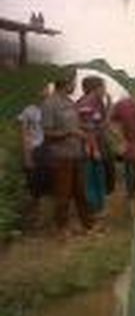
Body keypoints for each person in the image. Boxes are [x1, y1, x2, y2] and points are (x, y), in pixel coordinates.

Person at [41, 70, 93, 237]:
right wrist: (69, 133)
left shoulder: (69, 102)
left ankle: (88, 226)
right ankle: (62, 228)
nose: (75, 85)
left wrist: (84, 128)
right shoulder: (50, 104)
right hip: (60, 156)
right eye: (73, 82)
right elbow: (47, 133)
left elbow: (73, 126)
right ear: (66, 82)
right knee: (63, 194)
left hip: (76, 154)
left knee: (81, 192)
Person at [76, 76, 109, 217]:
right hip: (89, 146)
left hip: (98, 143)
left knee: (99, 175)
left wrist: (110, 104)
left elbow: (102, 124)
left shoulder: (98, 102)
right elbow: (88, 128)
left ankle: (99, 207)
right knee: (92, 177)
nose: (105, 90)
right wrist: (94, 148)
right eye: (103, 87)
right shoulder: (86, 103)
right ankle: (93, 208)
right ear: (96, 88)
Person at [18, 83, 52, 203]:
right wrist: (27, 155)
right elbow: (24, 133)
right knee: (34, 181)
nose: (45, 91)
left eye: (47, 88)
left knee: (49, 181)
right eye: (43, 88)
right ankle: (36, 203)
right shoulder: (28, 110)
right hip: (35, 148)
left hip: (49, 149)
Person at [110, 94, 135, 201]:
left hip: (131, 146)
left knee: (131, 174)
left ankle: (132, 198)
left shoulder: (121, 104)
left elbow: (111, 123)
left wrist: (120, 138)